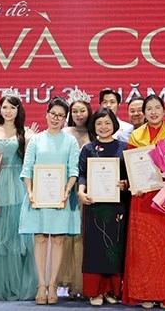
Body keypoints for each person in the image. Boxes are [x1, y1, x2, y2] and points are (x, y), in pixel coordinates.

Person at [123, 94, 165, 309]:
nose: (153, 112)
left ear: (164, 111)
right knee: (144, 247)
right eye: (148, 108)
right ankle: (145, 294)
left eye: (157, 108)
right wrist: (134, 183)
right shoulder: (136, 136)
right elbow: (131, 168)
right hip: (142, 197)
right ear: (143, 113)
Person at [19, 97, 81, 305]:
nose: (56, 118)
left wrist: (67, 191)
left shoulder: (70, 141)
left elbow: (73, 170)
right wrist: (30, 191)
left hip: (61, 197)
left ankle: (53, 285)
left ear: (65, 119)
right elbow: (27, 169)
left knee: (58, 240)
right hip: (37, 197)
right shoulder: (36, 140)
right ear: (46, 114)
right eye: (53, 114)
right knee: (40, 239)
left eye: (61, 116)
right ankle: (41, 284)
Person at [0, 92, 38, 301]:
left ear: (18, 110)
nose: (8, 111)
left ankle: (20, 285)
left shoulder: (25, 132)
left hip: (18, 183)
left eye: (12, 107)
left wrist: (30, 139)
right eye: (5, 107)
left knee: (18, 234)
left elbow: (30, 161)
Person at [77, 108, 129, 307]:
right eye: (99, 123)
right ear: (94, 126)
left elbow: (130, 177)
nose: (104, 127)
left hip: (117, 205)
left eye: (107, 122)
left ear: (114, 124)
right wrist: (81, 192)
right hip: (94, 204)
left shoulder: (124, 147)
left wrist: (125, 184)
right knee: (95, 248)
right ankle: (95, 291)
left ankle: (111, 290)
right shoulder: (88, 149)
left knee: (114, 247)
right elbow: (83, 174)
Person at [58, 89, 94, 299]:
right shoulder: (65, 132)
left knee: (85, 235)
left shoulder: (95, 131)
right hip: (68, 188)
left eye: (82, 111)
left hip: (91, 190)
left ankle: (85, 282)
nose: (79, 115)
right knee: (69, 234)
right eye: (75, 111)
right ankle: (71, 281)